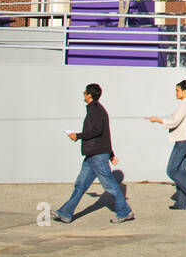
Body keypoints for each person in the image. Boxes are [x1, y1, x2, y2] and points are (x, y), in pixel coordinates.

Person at [53, 83, 135, 224]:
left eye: (85, 92)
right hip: (92, 156)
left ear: (90, 95)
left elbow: (97, 131)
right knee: (80, 185)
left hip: (97, 155)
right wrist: (111, 154)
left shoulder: (96, 110)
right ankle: (65, 213)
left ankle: (125, 212)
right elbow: (104, 134)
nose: (83, 95)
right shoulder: (95, 109)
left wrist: (77, 136)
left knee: (110, 185)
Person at [148, 80, 186, 210]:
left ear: (184, 91)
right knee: (181, 171)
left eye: (178, 90)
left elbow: (174, 121)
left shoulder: (184, 104)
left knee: (171, 170)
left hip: (183, 141)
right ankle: (182, 203)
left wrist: (158, 120)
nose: (176, 93)